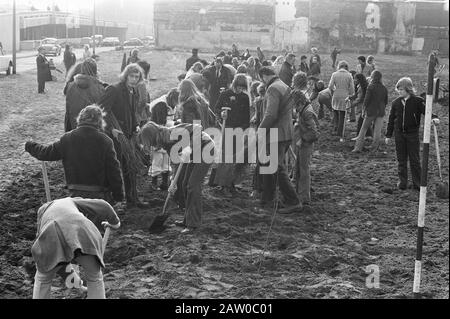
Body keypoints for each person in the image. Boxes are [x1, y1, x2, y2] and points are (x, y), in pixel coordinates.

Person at [25, 105, 124, 202]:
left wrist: (30, 145)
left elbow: (45, 153)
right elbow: (114, 171)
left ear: (80, 119)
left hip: (76, 194)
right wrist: (118, 195)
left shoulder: (67, 138)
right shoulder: (105, 141)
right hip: (100, 195)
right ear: (100, 121)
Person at [31, 197, 120, 299]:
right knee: (95, 278)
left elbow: (55, 261)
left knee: (43, 279)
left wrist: (74, 282)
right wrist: (115, 223)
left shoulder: (43, 221)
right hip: (82, 232)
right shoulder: (69, 201)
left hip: (52, 235)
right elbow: (103, 205)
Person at [139, 122, 214, 233]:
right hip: (195, 155)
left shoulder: (173, 132)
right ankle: (187, 220)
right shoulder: (166, 144)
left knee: (193, 185)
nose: (151, 146)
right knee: (183, 184)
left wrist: (189, 148)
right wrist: (173, 182)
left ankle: (193, 224)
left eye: (149, 142)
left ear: (153, 136)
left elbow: (198, 127)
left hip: (206, 148)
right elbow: (176, 165)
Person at [99, 63, 147, 208]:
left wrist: (136, 125)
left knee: (130, 167)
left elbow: (132, 112)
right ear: (126, 75)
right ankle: (109, 202)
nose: (134, 79)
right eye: (131, 76)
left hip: (128, 135)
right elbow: (100, 109)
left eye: (136, 77)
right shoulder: (114, 89)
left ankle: (133, 199)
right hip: (115, 135)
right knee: (113, 168)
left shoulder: (133, 91)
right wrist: (111, 129)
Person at [257, 67, 301, 214]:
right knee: (271, 166)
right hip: (286, 132)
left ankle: (293, 201)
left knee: (276, 167)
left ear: (264, 76)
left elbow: (270, 114)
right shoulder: (284, 86)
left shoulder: (272, 89)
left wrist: (260, 130)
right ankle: (267, 199)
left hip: (276, 134)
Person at [385, 77, 439, 190]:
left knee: (414, 160)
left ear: (408, 89)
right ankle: (402, 182)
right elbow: (391, 120)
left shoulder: (417, 101)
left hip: (412, 134)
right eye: (398, 89)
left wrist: (434, 117)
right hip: (399, 134)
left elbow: (427, 111)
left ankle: (417, 183)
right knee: (401, 160)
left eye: (401, 89)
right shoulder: (395, 103)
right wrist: (388, 135)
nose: (399, 92)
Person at [213, 74, 251, 193]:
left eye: (242, 87)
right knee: (226, 157)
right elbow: (217, 108)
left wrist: (245, 129)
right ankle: (223, 184)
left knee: (236, 157)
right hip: (228, 127)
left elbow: (247, 116)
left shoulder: (245, 97)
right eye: (238, 87)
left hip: (239, 129)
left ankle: (232, 183)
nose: (240, 90)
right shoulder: (225, 94)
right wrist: (221, 113)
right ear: (234, 84)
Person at [291, 72, 319, 208]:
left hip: (306, 145)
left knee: (304, 170)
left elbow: (314, 133)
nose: (295, 109)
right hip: (302, 143)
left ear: (301, 102)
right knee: (298, 169)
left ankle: (304, 198)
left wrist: (302, 139)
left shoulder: (307, 112)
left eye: (296, 106)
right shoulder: (303, 110)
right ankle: (299, 193)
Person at [64, 59, 106, 132]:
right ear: (95, 70)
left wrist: (68, 131)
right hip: (94, 130)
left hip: (75, 128)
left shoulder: (70, 86)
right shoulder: (100, 88)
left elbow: (68, 112)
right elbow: (103, 113)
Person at [352, 70, 388, 153]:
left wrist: (364, 109)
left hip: (371, 111)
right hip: (381, 111)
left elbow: (366, 100)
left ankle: (358, 147)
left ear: (372, 77)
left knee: (363, 129)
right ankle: (374, 148)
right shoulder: (384, 88)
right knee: (377, 131)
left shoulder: (370, 86)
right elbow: (386, 101)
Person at [328, 61, 354, 137]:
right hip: (345, 96)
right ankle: (340, 132)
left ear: (339, 66)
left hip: (336, 95)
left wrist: (335, 90)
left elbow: (330, 86)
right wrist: (349, 94)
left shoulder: (334, 74)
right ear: (346, 67)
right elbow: (352, 89)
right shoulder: (349, 75)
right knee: (342, 114)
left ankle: (335, 128)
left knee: (335, 111)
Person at [149, 101, 171, 190]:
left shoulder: (167, 122)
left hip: (165, 146)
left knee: (164, 162)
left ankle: (164, 183)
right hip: (158, 146)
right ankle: (155, 182)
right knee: (158, 162)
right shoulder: (152, 124)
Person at [349, 73, 371, 138]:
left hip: (363, 107)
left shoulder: (361, 87)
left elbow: (359, 99)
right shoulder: (360, 86)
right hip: (364, 106)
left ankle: (359, 136)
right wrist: (351, 97)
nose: (354, 80)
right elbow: (357, 95)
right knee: (363, 121)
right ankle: (368, 135)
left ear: (359, 79)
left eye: (355, 79)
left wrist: (351, 105)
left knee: (360, 122)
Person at [136, 60, 152, 127]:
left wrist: (138, 112)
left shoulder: (141, 83)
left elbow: (143, 100)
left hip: (140, 115)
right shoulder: (142, 81)